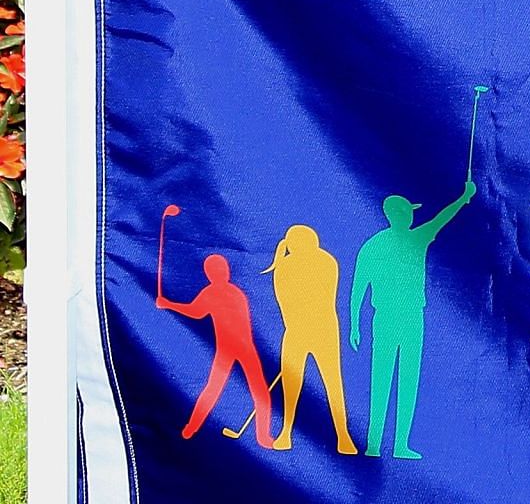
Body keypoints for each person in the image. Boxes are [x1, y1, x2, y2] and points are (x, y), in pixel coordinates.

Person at [348, 182, 475, 460]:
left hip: (402, 318)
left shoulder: (375, 245)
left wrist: (355, 324)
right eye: (408, 212)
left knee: (400, 378)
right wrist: (463, 197)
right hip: (397, 318)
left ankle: (395, 444)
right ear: (400, 215)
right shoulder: (407, 241)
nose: (412, 216)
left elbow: (358, 289)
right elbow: (358, 287)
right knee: (390, 378)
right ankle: (377, 444)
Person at [155, 252, 275, 446]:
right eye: (217, 270)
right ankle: (192, 427)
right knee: (215, 389)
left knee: (258, 390)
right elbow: (195, 312)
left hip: (244, 348)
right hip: (228, 349)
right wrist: (170, 305)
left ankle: (263, 436)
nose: (222, 273)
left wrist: (169, 304)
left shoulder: (231, 293)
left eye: (224, 269)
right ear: (209, 274)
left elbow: (195, 312)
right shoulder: (213, 293)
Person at [263, 223, 358, 454]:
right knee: (295, 383)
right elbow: (285, 303)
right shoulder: (287, 266)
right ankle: (286, 432)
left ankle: (342, 435)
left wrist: (299, 325)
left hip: (320, 329)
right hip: (302, 329)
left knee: (331, 382)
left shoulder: (324, 262)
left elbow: (325, 298)